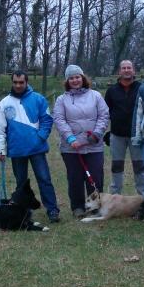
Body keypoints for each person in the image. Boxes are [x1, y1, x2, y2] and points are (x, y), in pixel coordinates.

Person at [0, 70, 61, 222]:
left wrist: (41, 137)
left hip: (37, 149)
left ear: (26, 82)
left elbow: (46, 120)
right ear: (12, 82)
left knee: (44, 179)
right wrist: (0, 149)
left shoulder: (39, 99)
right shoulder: (4, 103)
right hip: (17, 150)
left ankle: (52, 210)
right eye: (15, 82)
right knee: (21, 184)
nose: (18, 85)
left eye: (21, 82)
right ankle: (23, 212)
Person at [53, 65, 109, 218]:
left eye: (77, 77)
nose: (75, 80)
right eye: (71, 78)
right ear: (67, 80)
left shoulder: (96, 96)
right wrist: (71, 139)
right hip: (71, 148)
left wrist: (96, 134)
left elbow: (103, 116)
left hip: (93, 146)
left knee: (96, 177)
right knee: (75, 177)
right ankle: (77, 207)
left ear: (82, 78)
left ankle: (96, 205)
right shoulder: (61, 100)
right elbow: (59, 119)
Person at [104, 59, 144, 198]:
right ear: (119, 71)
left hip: (137, 135)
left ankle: (143, 197)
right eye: (124, 68)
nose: (127, 70)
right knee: (116, 167)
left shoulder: (142, 89)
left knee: (139, 167)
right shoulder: (111, 91)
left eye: (129, 67)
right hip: (117, 135)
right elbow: (106, 112)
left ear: (134, 71)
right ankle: (115, 195)